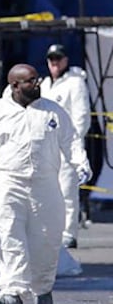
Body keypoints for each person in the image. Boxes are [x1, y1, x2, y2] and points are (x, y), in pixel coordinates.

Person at [0, 64, 91, 304]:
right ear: (15, 86)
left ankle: (42, 288)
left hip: (45, 183)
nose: (37, 84)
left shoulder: (52, 111)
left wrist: (80, 163)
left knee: (47, 238)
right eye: (30, 81)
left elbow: (71, 140)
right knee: (8, 234)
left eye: (37, 79)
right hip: (9, 181)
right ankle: (12, 290)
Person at [39, 44, 91, 249]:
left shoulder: (75, 84)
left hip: (66, 145)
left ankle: (69, 233)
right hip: (47, 145)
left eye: (58, 59)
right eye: (51, 59)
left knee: (67, 190)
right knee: (48, 189)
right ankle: (52, 231)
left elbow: (81, 116)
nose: (54, 63)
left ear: (65, 61)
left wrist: (73, 143)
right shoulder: (44, 84)